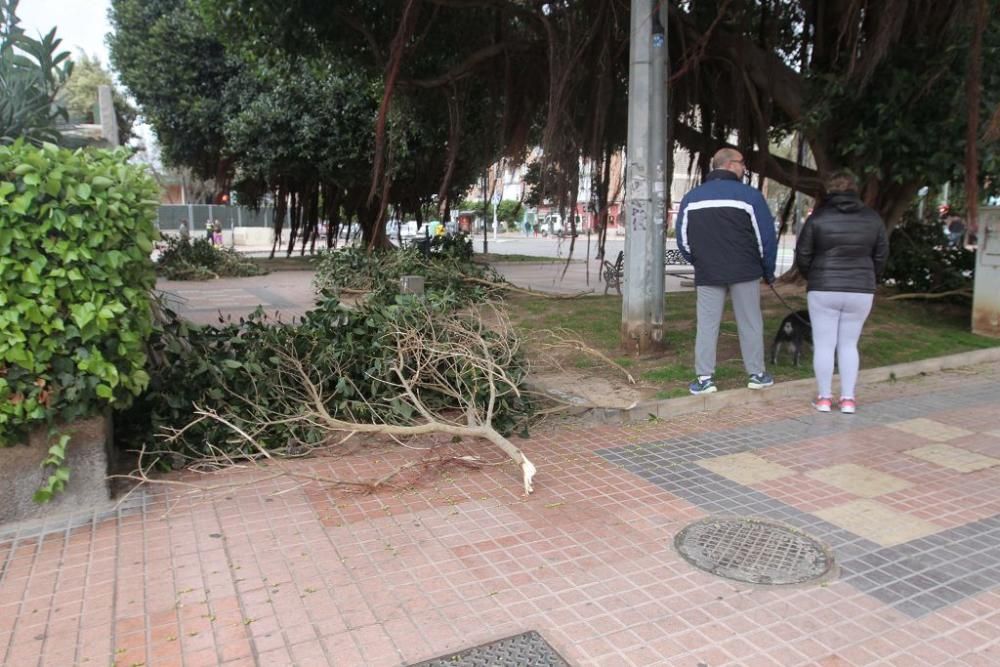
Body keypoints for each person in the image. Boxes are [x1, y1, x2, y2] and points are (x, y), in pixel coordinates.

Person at [676, 147, 777, 395]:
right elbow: (766, 239)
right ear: (731, 165)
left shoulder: (692, 198)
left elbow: (683, 240)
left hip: (708, 271)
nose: (745, 168)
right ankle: (757, 374)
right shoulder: (749, 196)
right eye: (742, 163)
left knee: (707, 325)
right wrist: (768, 271)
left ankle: (704, 379)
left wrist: (699, 261)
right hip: (745, 270)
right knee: (751, 322)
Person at [794, 169, 888, 414]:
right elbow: (881, 255)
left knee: (824, 345)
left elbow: (803, 254)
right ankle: (848, 399)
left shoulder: (818, 218)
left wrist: (812, 276)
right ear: (854, 189)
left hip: (823, 287)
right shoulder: (873, 218)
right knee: (849, 344)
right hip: (861, 288)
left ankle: (824, 398)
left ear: (829, 191)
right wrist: (869, 278)